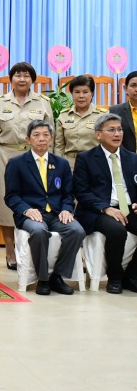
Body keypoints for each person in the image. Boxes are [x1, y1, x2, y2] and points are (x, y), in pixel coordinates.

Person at [4, 119, 84, 295]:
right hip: (31, 214)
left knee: (76, 230)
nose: (41, 139)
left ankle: (57, 276)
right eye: (36, 135)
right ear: (28, 139)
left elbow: (68, 194)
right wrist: (26, 210)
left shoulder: (61, 164)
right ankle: (43, 278)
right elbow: (11, 196)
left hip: (56, 213)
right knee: (39, 231)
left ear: (51, 138)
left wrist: (66, 209)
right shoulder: (16, 163)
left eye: (45, 135)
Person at [0, 62, 53, 270]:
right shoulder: (0, 103)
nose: (22, 79)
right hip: (5, 156)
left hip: (35, 156)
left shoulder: (43, 103)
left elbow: (51, 135)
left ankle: (32, 250)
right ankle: (10, 251)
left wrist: (51, 163)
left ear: (32, 79)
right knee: (6, 205)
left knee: (35, 201)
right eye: (18, 75)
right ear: (11, 79)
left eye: (26, 75)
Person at [73, 113, 137, 294]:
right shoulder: (85, 158)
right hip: (98, 211)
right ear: (98, 134)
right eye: (111, 130)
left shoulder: (133, 158)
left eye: (119, 129)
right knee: (117, 230)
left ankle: (131, 275)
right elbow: (81, 192)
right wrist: (105, 208)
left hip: (128, 208)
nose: (117, 134)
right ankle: (115, 277)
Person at [54, 75, 106, 169]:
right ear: (72, 94)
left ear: (92, 93)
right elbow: (59, 146)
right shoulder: (64, 116)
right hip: (69, 165)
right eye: (77, 92)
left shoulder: (102, 116)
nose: (81, 96)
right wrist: (59, 166)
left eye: (85, 92)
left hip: (94, 164)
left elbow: (107, 143)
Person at [109, 70, 137, 153]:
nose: (136, 89)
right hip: (126, 160)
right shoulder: (116, 111)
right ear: (125, 88)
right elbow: (112, 138)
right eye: (133, 85)